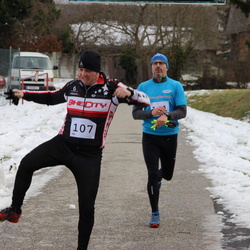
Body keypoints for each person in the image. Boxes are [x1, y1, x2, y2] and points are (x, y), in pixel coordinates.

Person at [0, 50, 150, 249]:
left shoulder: (111, 87)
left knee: (87, 207)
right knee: (27, 163)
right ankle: (15, 210)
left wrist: (130, 93)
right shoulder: (73, 86)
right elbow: (51, 97)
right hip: (64, 144)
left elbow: (146, 100)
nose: (82, 74)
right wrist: (24, 94)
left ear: (97, 72)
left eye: (87, 70)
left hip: (89, 156)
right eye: (80, 69)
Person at [132, 53, 187, 228]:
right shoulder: (143, 87)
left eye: (161, 63)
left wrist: (167, 115)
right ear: (151, 67)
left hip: (170, 135)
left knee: (168, 174)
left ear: (166, 67)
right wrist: (151, 114)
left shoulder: (175, 86)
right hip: (150, 137)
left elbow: (182, 111)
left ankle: (159, 178)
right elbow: (135, 113)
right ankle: (155, 212)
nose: (158, 66)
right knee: (152, 174)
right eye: (155, 63)